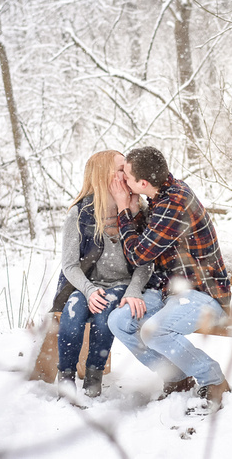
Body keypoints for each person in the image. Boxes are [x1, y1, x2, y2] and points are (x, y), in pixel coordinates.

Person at [107, 146, 232, 411]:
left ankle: (213, 379)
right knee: (119, 321)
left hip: (205, 297)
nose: (123, 181)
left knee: (154, 332)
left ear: (142, 183)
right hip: (170, 294)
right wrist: (134, 212)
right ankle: (177, 378)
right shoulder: (159, 195)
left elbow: (139, 255)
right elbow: (151, 239)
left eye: (126, 177)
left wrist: (123, 211)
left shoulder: (174, 202)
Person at [53, 150, 152, 398]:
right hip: (87, 283)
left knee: (105, 311)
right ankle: (65, 376)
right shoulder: (79, 213)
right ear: (102, 175)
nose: (127, 174)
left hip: (122, 283)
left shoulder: (139, 210)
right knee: (73, 311)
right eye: (121, 169)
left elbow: (145, 262)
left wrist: (132, 290)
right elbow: (70, 265)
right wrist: (87, 290)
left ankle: (93, 375)